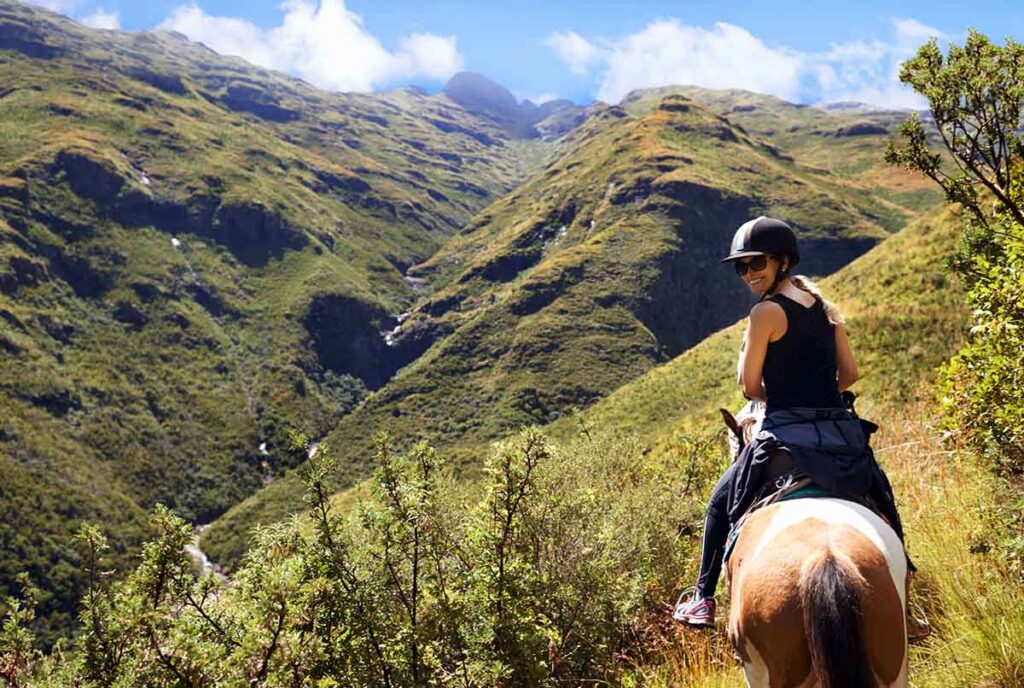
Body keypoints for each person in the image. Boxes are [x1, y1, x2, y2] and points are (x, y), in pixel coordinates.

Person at [671, 216, 929, 641]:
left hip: (785, 431)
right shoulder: (828, 311)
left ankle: (703, 596)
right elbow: (849, 374)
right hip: (839, 430)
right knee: (880, 493)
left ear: (783, 261)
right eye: (742, 267)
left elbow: (749, 386)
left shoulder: (765, 313)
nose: (749, 274)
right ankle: (904, 602)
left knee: (719, 504)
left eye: (757, 264)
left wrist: (781, 391)